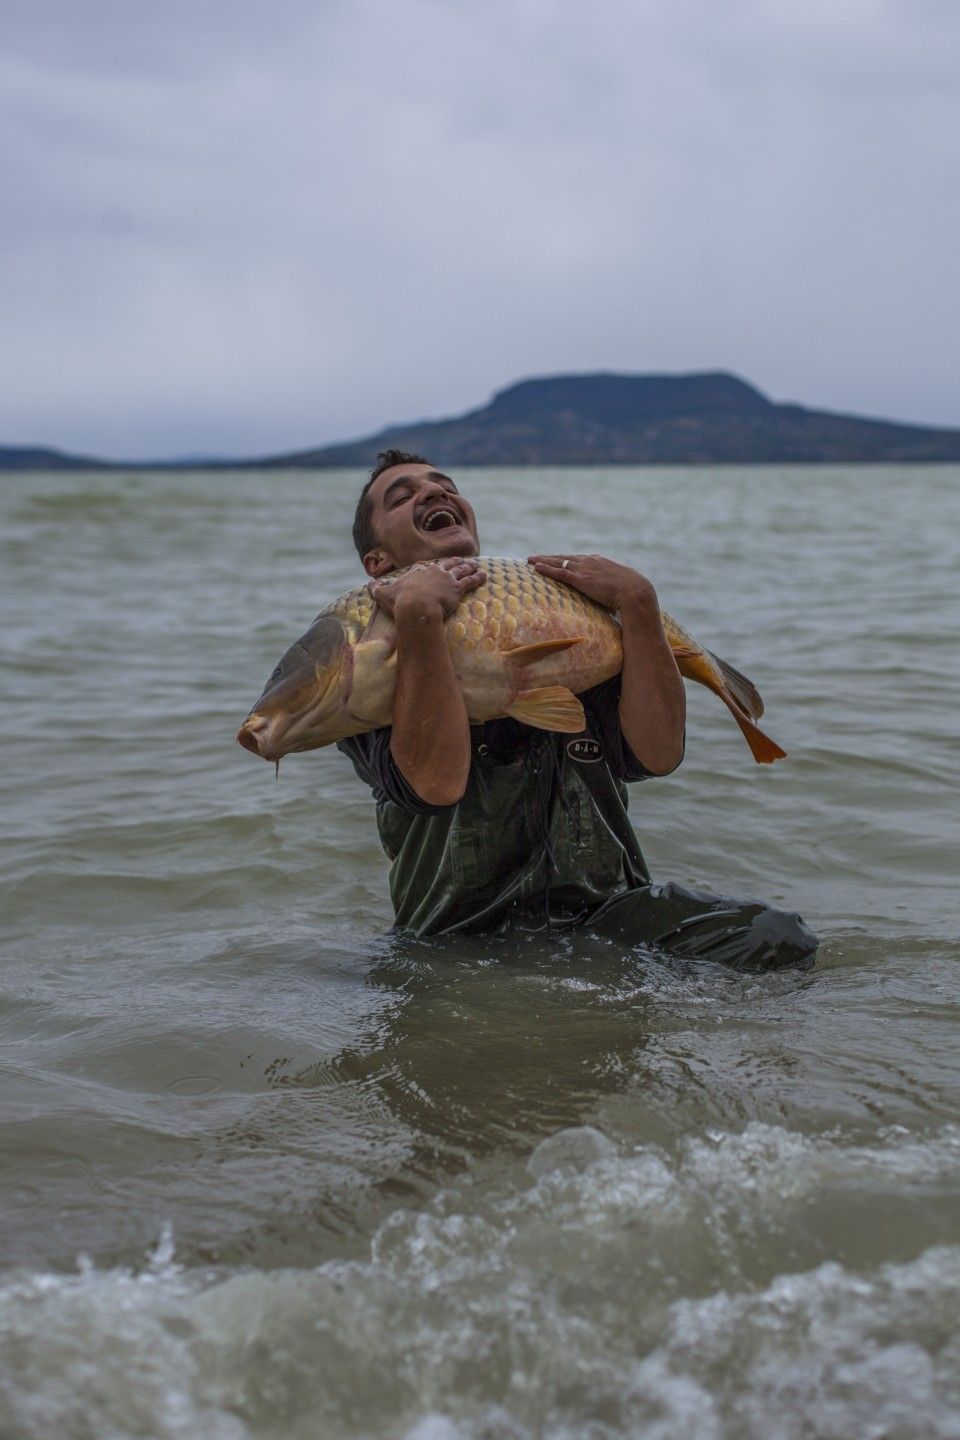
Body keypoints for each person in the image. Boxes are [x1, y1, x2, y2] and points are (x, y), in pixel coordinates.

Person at [338, 450, 818, 969]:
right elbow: (434, 784)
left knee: (777, 937)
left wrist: (638, 602)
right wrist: (419, 617)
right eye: (402, 496)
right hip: (453, 936)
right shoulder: (363, 671)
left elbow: (657, 755)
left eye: (443, 484)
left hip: (610, 918)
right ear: (377, 562)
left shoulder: (564, 627)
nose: (433, 493)